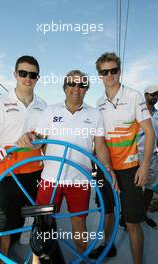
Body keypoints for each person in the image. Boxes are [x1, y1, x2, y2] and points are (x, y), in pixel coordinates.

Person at [17, 70, 118, 264]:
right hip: (50, 179)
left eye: (81, 85)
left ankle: (83, 259)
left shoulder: (94, 114)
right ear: (65, 87)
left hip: (80, 181)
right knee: (41, 226)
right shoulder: (50, 111)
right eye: (72, 84)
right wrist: (29, 137)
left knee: (79, 223)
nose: (76, 89)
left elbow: (100, 145)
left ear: (86, 90)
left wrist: (108, 168)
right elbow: (39, 139)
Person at [89, 52, 155, 264]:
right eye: (104, 72)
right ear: (99, 75)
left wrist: (144, 167)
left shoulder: (134, 96)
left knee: (132, 221)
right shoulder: (99, 102)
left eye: (113, 70)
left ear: (120, 72)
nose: (109, 75)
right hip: (106, 167)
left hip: (130, 168)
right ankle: (107, 246)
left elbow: (150, 132)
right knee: (107, 211)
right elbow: (100, 140)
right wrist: (107, 170)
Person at [0, 55, 47, 263]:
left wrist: (35, 137)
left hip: (36, 171)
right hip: (9, 173)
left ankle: (35, 255)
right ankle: (4, 260)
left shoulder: (43, 106)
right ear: (15, 74)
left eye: (32, 74)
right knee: (5, 224)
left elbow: (45, 139)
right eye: (23, 73)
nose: (27, 78)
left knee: (38, 218)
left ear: (38, 78)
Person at [137, 85, 158, 228]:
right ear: (145, 95)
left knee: (150, 188)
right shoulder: (136, 113)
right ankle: (126, 217)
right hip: (136, 155)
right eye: (153, 94)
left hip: (153, 156)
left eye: (157, 95)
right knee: (134, 188)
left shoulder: (157, 114)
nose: (155, 97)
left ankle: (143, 214)